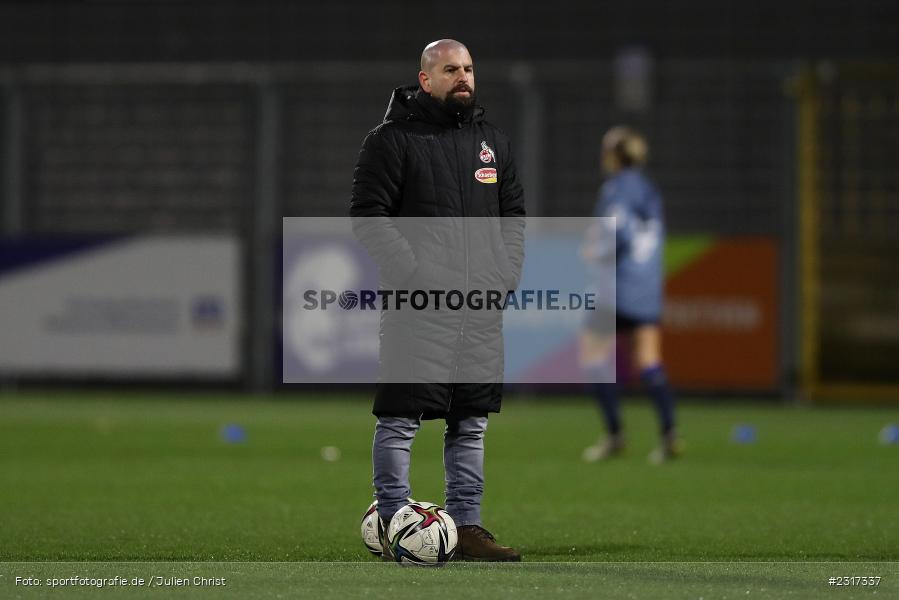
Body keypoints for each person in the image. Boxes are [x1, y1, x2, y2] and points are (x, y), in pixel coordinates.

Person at [350, 39, 525, 561]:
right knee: (401, 418)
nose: (464, 77)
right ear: (426, 79)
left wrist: (505, 275)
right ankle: (394, 518)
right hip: (418, 307)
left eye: (469, 68)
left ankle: (468, 526)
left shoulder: (492, 141)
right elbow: (368, 217)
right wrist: (416, 276)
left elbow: (513, 216)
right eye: (452, 70)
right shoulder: (390, 140)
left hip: (479, 307)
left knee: (470, 421)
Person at [580, 126, 682, 464]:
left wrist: (596, 250)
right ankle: (669, 434)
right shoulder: (649, 189)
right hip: (646, 286)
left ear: (613, 155)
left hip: (616, 286)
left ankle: (615, 435)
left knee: (594, 356)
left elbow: (618, 231)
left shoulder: (617, 188)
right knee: (649, 361)